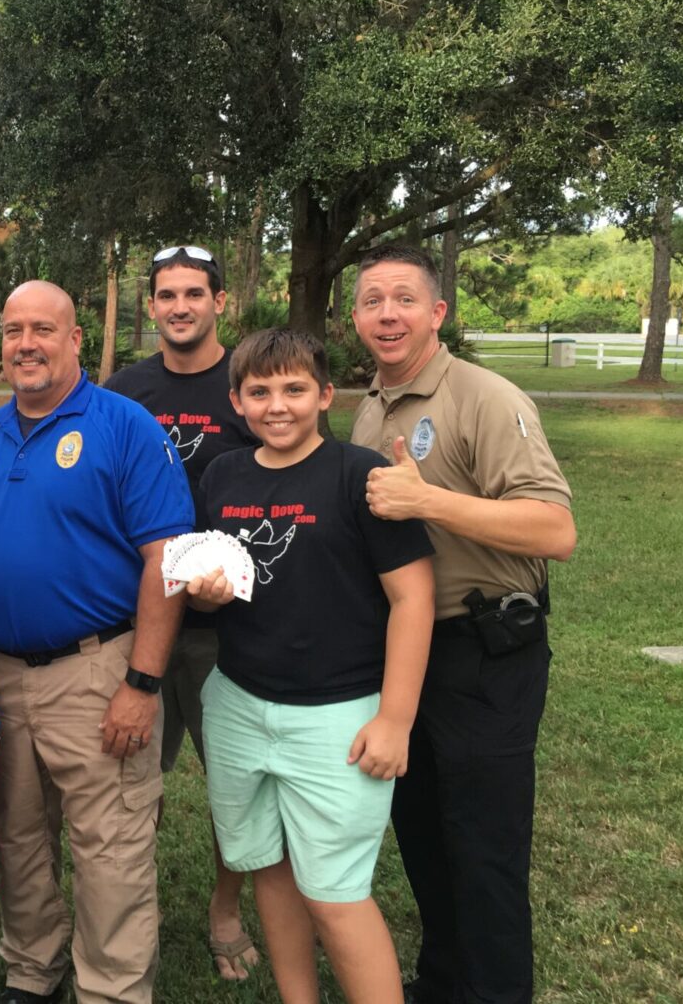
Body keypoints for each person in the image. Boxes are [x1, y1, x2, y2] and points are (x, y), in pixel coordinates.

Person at [349, 245, 576, 1004]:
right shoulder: (373, 405)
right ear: (356, 318)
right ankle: (446, 981)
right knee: (424, 836)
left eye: (405, 299)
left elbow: (554, 530)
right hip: (409, 654)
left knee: (484, 849)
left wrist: (430, 502)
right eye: (372, 300)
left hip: (487, 650)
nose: (388, 314)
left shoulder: (483, 396)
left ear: (438, 312)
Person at [0, 280, 193, 1004]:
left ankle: (113, 990)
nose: (25, 344)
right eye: (12, 329)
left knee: (110, 847)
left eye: (41, 329)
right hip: (3, 675)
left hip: (97, 671)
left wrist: (142, 683)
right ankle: (33, 972)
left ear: (75, 340)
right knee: (18, 837)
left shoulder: (124, 425)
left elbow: (167, 559)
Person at [186, 328, 435, 1004]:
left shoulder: (359, 475)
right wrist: (206, 590)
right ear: (236, 401)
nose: (278, 405)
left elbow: (413, 598)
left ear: (325, 394)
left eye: (295, 389)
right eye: (260, 391)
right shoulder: (222, 476)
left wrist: (395, 718)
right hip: (239, 700)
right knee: (267, 865)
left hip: (338, 715)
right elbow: (222, 578)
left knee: (335, 894)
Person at [103, 244, 260, 979]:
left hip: (230, 625)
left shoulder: (250, 383)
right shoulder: (126, 389)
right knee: (135, 782)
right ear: (153, 305)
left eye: (194, 293)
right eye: (166, 295)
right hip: (138, 620)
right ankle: (137, 911)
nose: (179, 307)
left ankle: (225, 909)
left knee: (232, 780)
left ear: (219, 302)